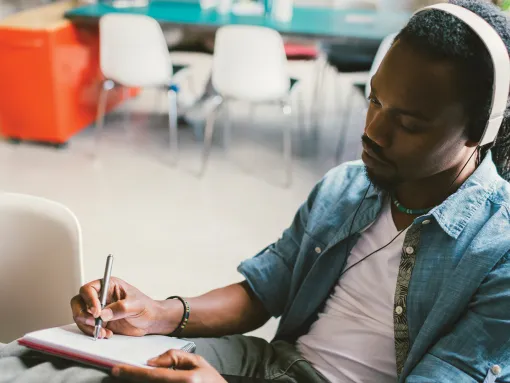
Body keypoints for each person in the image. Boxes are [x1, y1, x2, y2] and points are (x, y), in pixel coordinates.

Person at [2, 0, 510, 382]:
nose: (373, 130)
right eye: (374, 100)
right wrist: (160, 312)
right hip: (266, 364)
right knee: (46, 363)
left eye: (409, 122)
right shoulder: (347, 187)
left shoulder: (498, 254)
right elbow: (261, 293)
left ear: (479, 130)